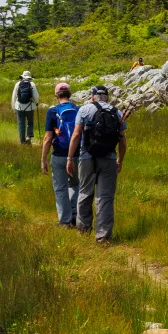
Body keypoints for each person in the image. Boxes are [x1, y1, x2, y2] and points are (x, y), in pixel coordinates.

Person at [66, 86, 127, 243]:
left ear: (93, 97)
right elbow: (122, 140)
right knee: (105, 197)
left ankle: (84, 229)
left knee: (85, 192)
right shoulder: (117, 112)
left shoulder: (84, 110)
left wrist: (69, 158)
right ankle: (103, 236)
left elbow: (76, 134)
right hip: (109, 158)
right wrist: (120, 160)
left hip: (87, 157)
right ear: (107, 97)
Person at [41, 83, 80, 227]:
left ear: (56, 95)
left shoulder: (52, 112)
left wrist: (43, 159)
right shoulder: (78, 109)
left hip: (59, 155)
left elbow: (48, 138)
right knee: (75, 184)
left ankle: (64, 221)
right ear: (69, 94)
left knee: (60, 187)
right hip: (76, 154)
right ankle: (75, 213)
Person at [11, 71, 39, 145]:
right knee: (30, 122)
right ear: (30, 77)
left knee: (21, 124)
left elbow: (13, 97)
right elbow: (36, 97)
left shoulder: (17, 84)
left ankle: (22, 142)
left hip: (19, 107)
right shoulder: (32, 84)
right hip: (30, 107)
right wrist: (36, 103)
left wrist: (13, 107)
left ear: (22, 76)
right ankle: (28, 137)